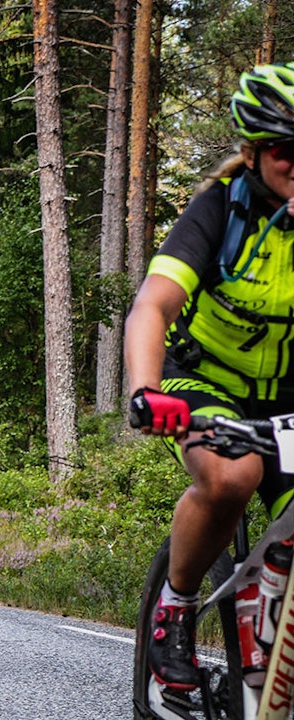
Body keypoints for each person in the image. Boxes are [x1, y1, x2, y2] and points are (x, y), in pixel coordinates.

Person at [124, 62, 294, 692]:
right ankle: (175, 607)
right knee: (232, 476)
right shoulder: (221, 210)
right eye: (285, 151)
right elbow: (154, 305)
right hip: (204, 379)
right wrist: (145, 392)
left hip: (286, 397)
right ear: (252, 153)